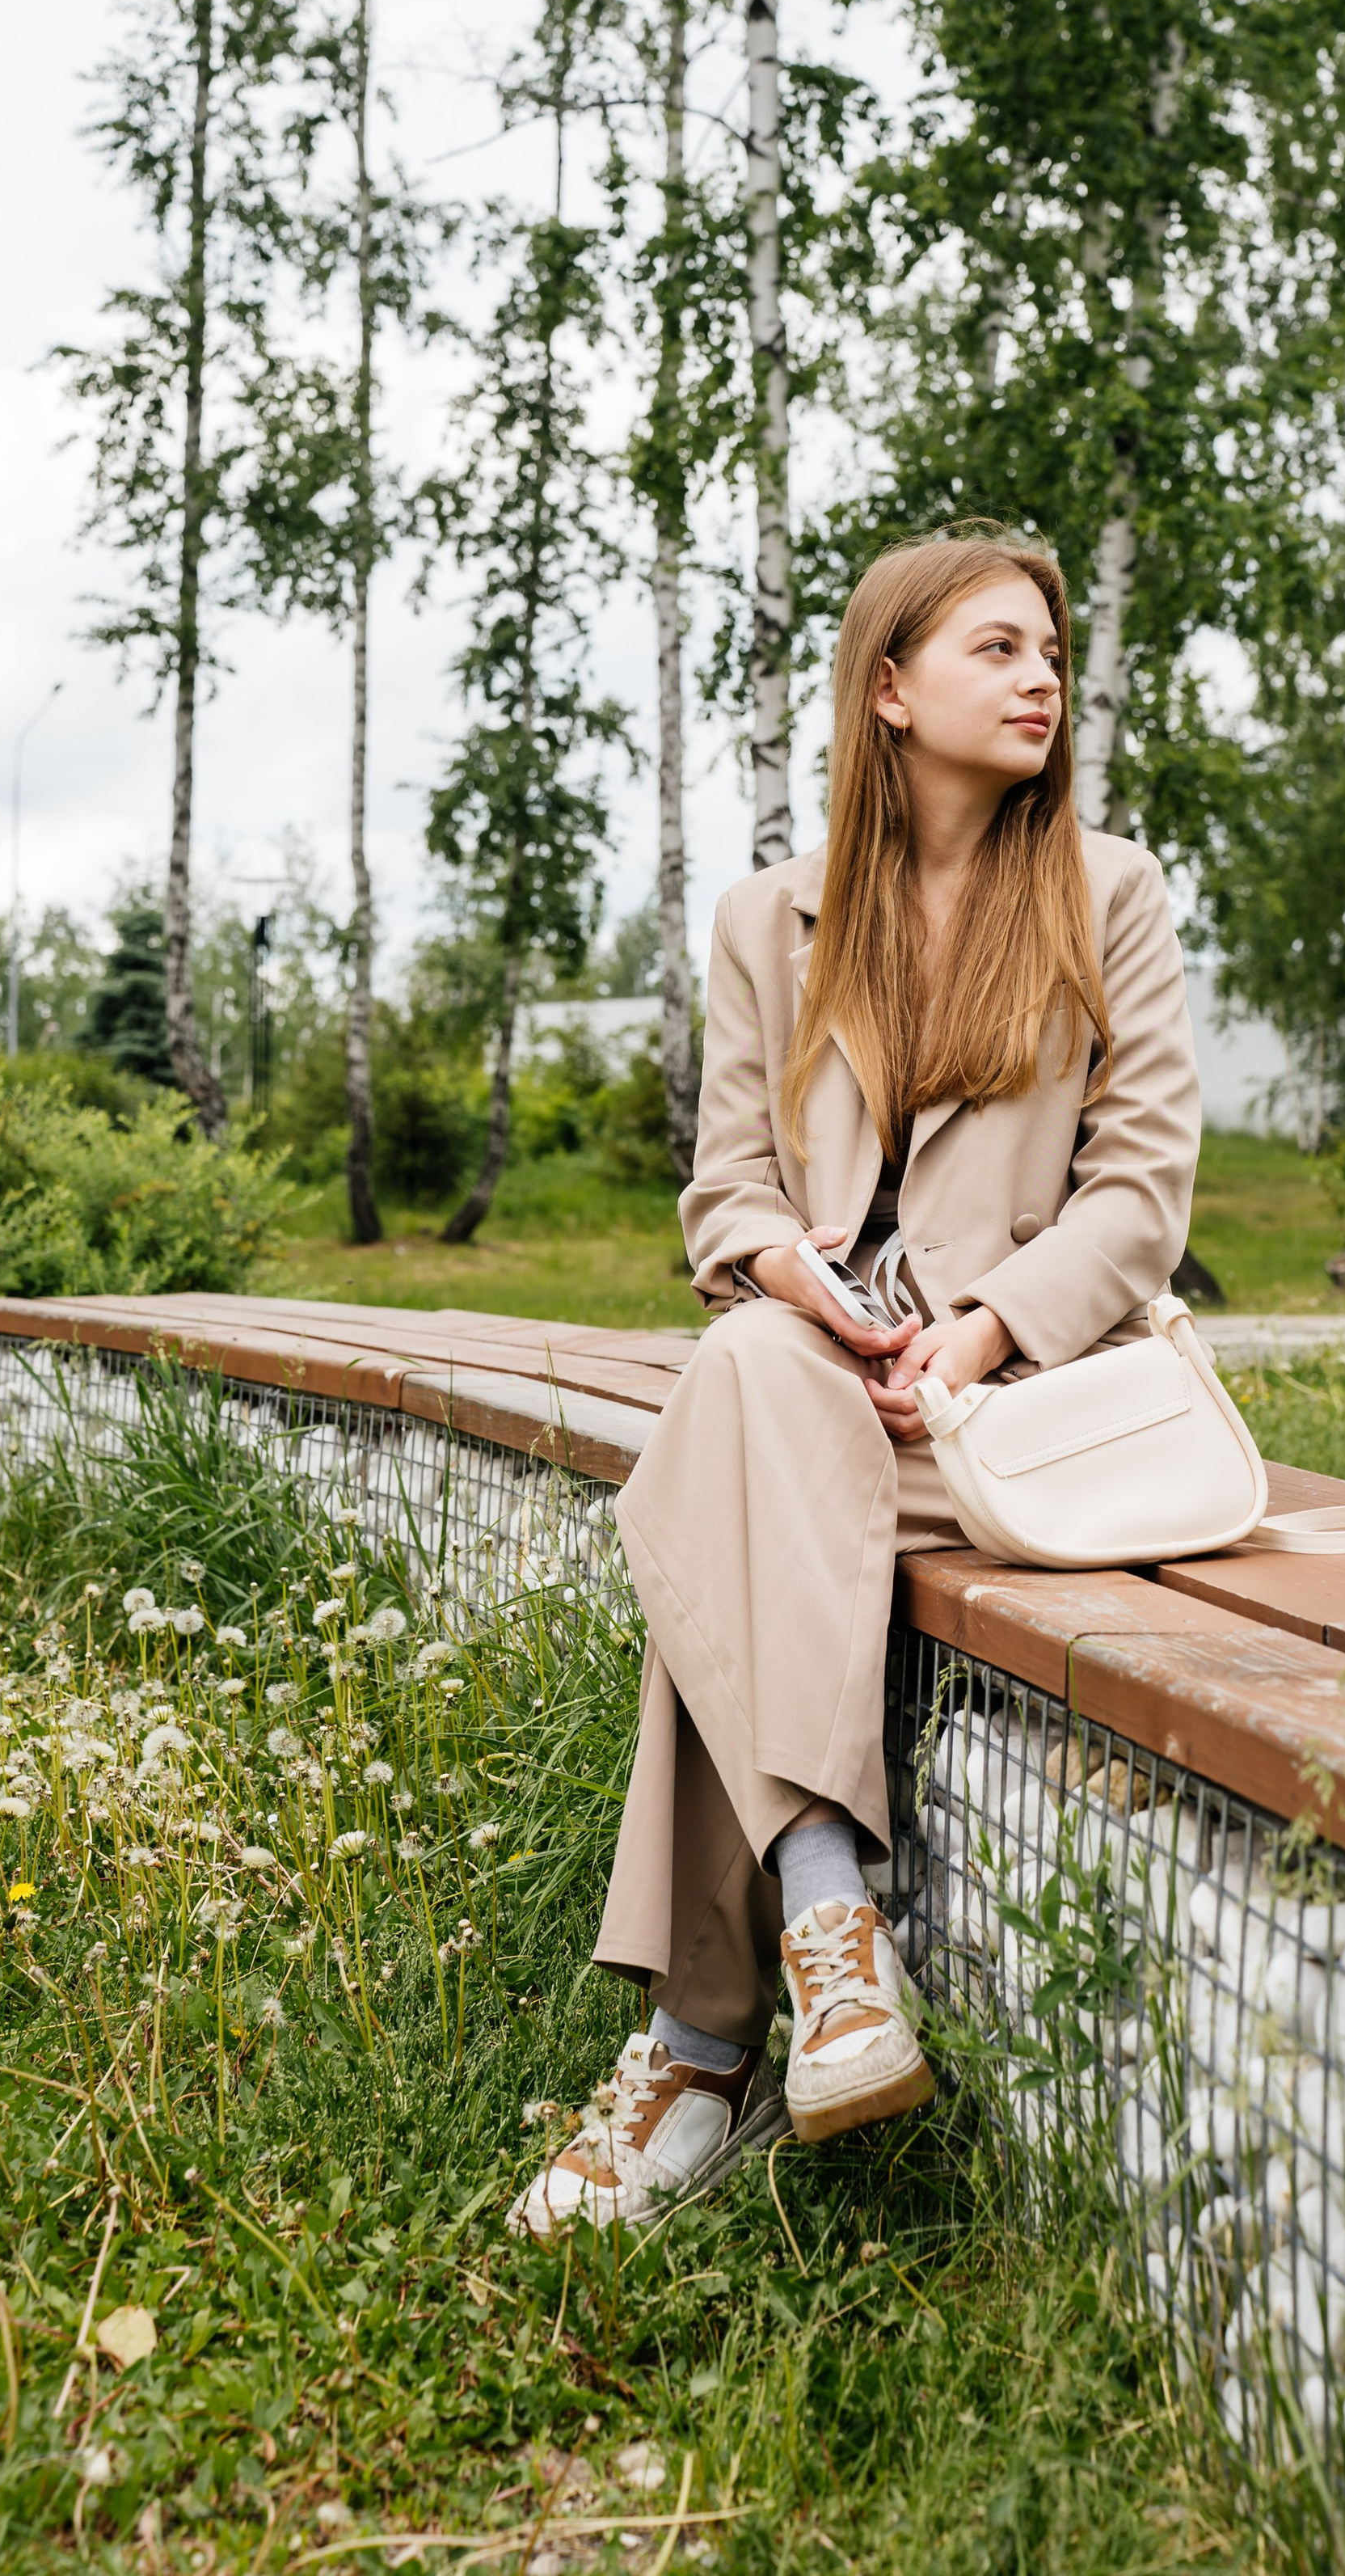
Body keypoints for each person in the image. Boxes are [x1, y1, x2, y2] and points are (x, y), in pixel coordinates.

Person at [510, 526, 1200, 2240]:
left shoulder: (1109, 896)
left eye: (1049, 652)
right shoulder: (770, 918)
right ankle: (830, 1965)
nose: (1040, 677)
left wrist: (975, 1334)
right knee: (750, 1367)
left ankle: (700, 2047)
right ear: (886, 690)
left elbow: (1139, 1198)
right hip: (814, 1378)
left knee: (709, 1497)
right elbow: (726, 1189)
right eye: (995, 649)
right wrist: (786, 1273)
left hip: (1007, 1410)